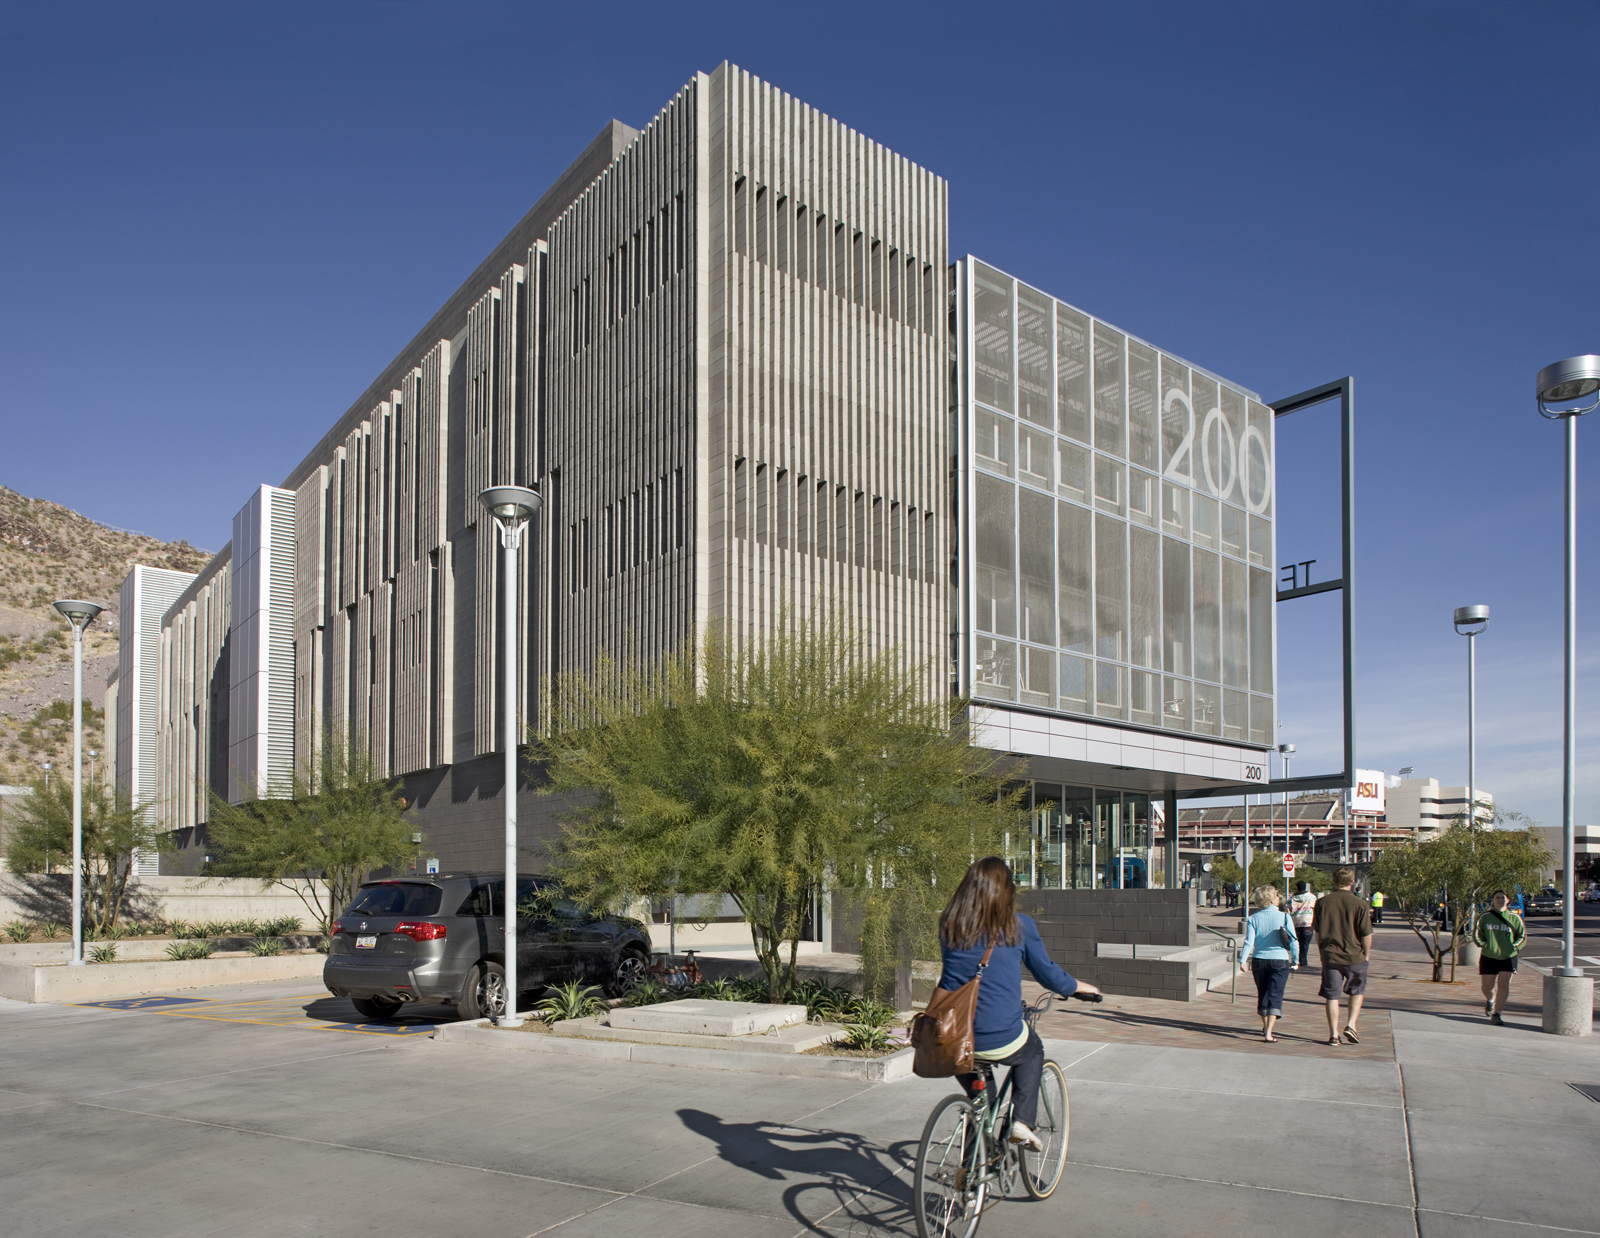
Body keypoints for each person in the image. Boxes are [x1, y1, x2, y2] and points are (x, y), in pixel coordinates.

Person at [936, 857, 1100, 1150]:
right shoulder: (1019, 926)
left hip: (955, 1038)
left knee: (980, 1103)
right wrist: (1077, 988)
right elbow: (1048, 975)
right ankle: (1022, 1122)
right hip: (1000, 1036)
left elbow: (951, 977)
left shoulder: (950, 926)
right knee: (1032, 1049)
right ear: (1007, 891)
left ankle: (971, 1186)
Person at [1312, 867, 1373, 1046]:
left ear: (1334, 881)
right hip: (1355, 955)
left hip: (1330, 956)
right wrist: (1366, 954)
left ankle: (1333, 1035)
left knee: (1332, 996)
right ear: (1352, 882)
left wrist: (1322, 951)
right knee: (1357, 990)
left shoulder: (1322, 903)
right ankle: (1351, 1024)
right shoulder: (1360, 904)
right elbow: (1366, 934)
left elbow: (1317, 931)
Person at [1239, 884, 1299, 1041]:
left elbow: (1248, 941)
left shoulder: (1253, 918)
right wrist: (1296, 959)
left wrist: (1243, 960)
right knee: (1276, 994)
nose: (1279, 899)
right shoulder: (1284, 917)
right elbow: (1293, 941)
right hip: (1280, 959)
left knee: (1263, 993)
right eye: (1277, 896)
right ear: (1271, 900)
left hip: (1259, 960)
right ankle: (1269, 1033)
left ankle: (1265, 1026)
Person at [1475, 889, 1526, 1026]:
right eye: (1497, 897)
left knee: (1504, 985)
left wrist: (1514, 946)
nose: (1500, 900)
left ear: (1507, 900)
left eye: (1503, 898)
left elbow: (1522, 936)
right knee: (1487, 986)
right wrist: (1483, 944)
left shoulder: (1515, 918)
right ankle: (1490, 1000)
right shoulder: (1485, 917)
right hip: (1488, 956)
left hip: (1508, 957)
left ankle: (1497, 1013)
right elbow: (1477, 933)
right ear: (1493, 900)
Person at [1288, 881, 1318, 973]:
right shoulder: (1312, 897)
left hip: (1295, 923)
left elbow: (1288, 909)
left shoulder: (1292, 898)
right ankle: (1303, 960)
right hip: (1307, 923)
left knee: (1296, 942)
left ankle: (1296, 959)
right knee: (1305, 943)